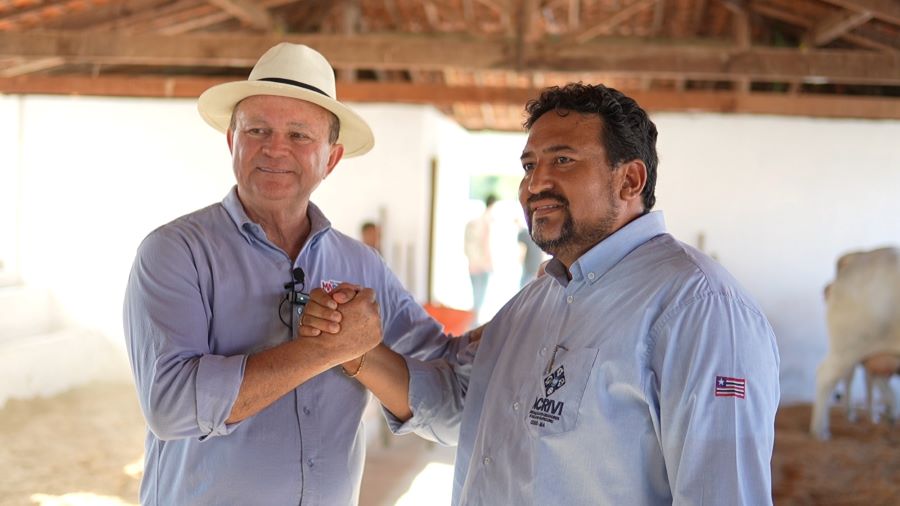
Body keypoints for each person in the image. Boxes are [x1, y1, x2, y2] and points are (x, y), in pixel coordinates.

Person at [300, 83, 781, 504]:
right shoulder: (532, 305)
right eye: (529, 165)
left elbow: (721, 494)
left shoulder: (699, 310)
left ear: (630, 180)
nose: (535, 184)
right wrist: (357, 352)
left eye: (563, 160)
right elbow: (461, 408)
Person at [122, 43, 454, 505]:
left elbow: (443, 387)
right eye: (257, 130)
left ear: (331, 159)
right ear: (232, 142)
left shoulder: (363, 266)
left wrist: (527, 319)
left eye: (299, 135)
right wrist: (328, 349)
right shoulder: (176, 252)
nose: (275, 148)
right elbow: (172, 405)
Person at [463, 194, 496, 317]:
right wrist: (489, 264)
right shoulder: (485, 223)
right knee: (479, 299)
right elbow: (485, 245)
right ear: (492, 205)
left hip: (473, 265)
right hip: (482, 266)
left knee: (476, 298)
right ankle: (473, 325)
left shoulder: (473, 222)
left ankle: (472, 323)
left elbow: (466, 245)